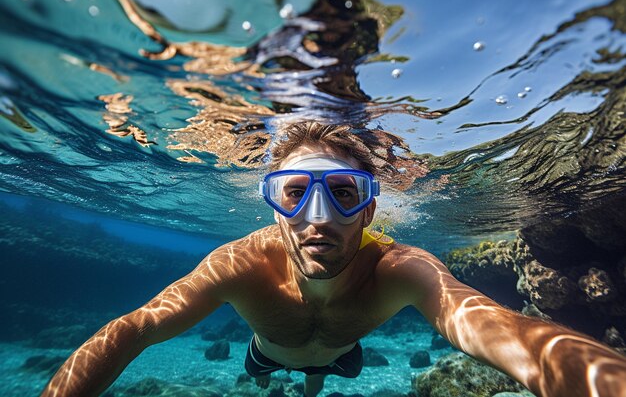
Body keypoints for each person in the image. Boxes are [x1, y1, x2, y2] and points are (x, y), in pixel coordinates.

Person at [42, 122, 626, 397]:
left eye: (344, 193)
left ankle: (312, 384)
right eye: (295, 192)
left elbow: (517, 339)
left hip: (344, 357)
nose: (317, 217)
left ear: (370, 211)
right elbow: (135, 328)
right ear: (274, 208)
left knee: (321, 373)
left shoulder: (402, 269)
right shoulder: (239, 264)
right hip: (262, 355)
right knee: (274, 367)